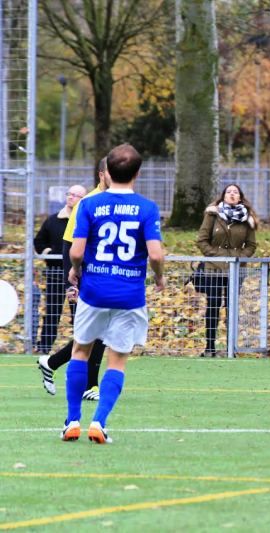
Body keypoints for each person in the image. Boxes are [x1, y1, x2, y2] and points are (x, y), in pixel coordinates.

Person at [60, 143, 165, 443]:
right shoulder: (147, 208)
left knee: (81, 351)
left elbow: (77, 251)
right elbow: (156, 255)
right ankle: (100, 422)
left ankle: (72, 421)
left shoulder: (88, 205)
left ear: (106, 173)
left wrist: (75, 270)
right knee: (117, 359)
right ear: (138, 173)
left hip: (93, 291)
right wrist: (159, 278)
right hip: (129, 295)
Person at [37, 160, 110, 400]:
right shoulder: (88, 203)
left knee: (96, 333)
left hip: (105, 279)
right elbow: (71, 245)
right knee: (94, 333)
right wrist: (73, 283)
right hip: (87, 280)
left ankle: (53, 363)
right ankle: (89, 385)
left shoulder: (116, 201)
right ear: (102, 175)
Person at [196, 184, 257, 357]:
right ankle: (209, 347)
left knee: (232, 308)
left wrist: (239, 258)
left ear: (240, 197)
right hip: (213, 269)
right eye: (229, 192)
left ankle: (231, 348)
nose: (232, 194)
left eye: (235, 192)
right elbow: (201, 240)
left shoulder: (247, 219)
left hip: (235, 269)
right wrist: (215, 255)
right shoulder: (212, 215)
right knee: (213, 306)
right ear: (223, 196)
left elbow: (251, 245)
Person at [33, 184, 87, 353]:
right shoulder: (53, 220)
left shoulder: (85, 221)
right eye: (69, 194)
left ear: (83, 200)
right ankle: (44, 347)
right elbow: (39, 242)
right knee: (52, 311)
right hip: (56, 274)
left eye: (75, 195)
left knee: (79, 312)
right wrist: (50, 254)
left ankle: (81, 346)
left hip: (79, 276)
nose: (71, 197)